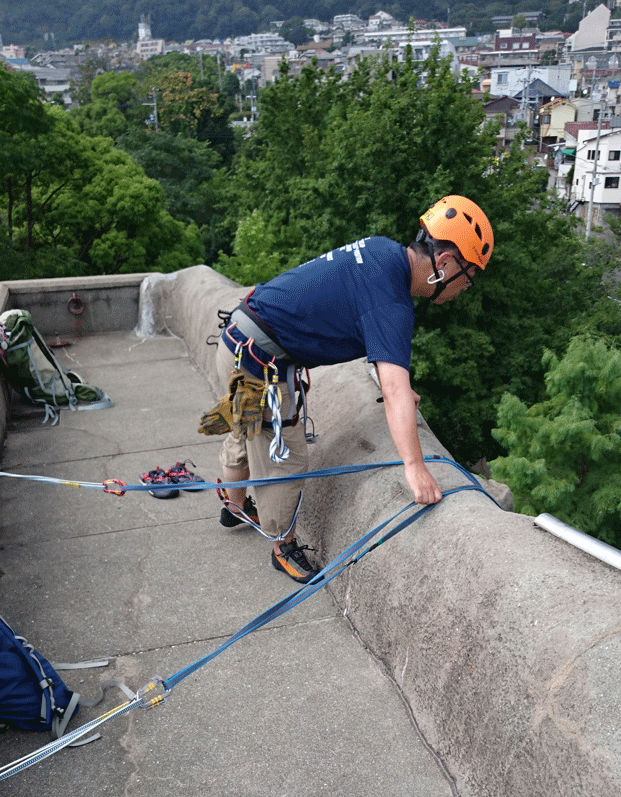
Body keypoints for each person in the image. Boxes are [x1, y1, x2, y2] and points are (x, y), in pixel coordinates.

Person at [200, 196, 494, 584]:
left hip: (238, 337)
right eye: (467, 278)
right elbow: (391, 387)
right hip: (263, 364)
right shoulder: (393, 304)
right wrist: (415, 467)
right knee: (284, 457)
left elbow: (381, 357)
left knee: (244, 428)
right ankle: (282, 546)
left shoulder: (381, 251)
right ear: (445, 264)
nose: (463, 290)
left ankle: (234, 507)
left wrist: (402, 392)